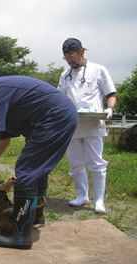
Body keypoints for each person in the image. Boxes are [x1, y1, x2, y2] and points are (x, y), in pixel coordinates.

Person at [0, 76, 78, 249]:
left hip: (54, 116)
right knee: (36, 168)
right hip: (60, 114)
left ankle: (20, 235)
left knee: (27, 170)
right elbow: (3, 141)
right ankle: (36, 217)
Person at [57, 38, 117, 214]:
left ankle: (99, 200)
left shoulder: (98, 70)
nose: (69, 60)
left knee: (96, 163)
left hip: (93, 124)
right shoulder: (65, 75)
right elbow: (59, 98)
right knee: (75, 163)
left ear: (81, 52)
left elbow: (111, 94)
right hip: (73, 125)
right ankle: (82, 196)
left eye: (72, 55)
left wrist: (110, 109)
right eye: (66, 57)